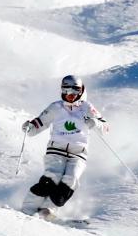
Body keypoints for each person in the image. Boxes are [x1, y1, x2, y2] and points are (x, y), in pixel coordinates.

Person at [20, 74, 108, 217]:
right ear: (62, 90)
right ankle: (28, 208)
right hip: (56, 149)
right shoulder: (56, 107)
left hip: (78, 152)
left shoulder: (87, 107)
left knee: (71, 179)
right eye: (66, 90)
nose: (70, 94)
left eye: (75, 91)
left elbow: (105, 127)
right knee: (52, 178)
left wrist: (95, 123)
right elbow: (39, 123)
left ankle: (48, 209)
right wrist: (29, 128)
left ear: (81, 91)